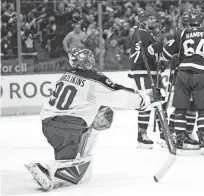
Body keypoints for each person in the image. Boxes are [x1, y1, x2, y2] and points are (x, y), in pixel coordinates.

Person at [24, 48, 162, 191]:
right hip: (67, 128)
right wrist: (145, 100)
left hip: (48, 124)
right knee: (76, 173)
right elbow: (118, 95)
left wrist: (145, 95)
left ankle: (65, 161)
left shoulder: (67, 75)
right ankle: (49, 170)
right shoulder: (95, 78)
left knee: (75, 154)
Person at [162, 11, 204, 154]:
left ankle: (179, 141)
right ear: (201, 22)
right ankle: (203, 141)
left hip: (183, 73)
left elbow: (172, 54)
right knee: (203, 109)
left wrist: (172, 60)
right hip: (201, 73)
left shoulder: (181, 33)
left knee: (180, 109)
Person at [128, 10, 165, 149]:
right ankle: (142, 135)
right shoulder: (139, 34)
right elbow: (136, 58)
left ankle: (163, 134)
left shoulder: (150, 35)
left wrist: (161, 62)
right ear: (143, 20)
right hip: (143, 73)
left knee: (161, 103)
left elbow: (154, 55)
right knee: (147, 103)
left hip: (154, 74)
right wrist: (151, 50)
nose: (154, 21)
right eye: (150, 18)